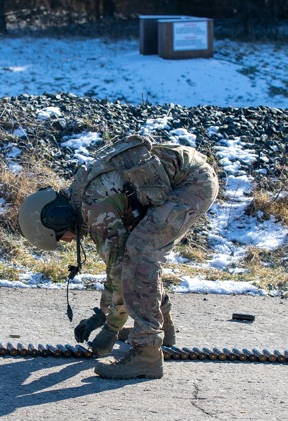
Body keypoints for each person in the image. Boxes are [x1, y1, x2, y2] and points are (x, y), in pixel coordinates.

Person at [18, 134, 219, 379]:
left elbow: (122, 269)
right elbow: (116, 270)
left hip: (190, 183)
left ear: (59, 219)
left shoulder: (96, 210)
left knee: (140, 253)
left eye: (62, 237)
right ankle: (163, 328)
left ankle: (147, 353)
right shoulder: (82, 198)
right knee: (138, 253)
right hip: (184, 174)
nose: (68, 241)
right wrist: (103, 315)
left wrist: (111, 329)